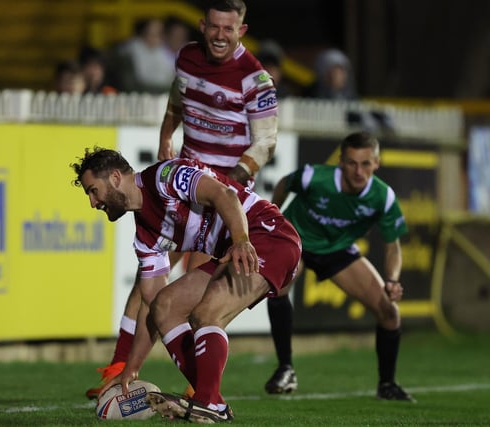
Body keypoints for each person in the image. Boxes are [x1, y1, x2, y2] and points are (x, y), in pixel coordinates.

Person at [84, 0, 279, 400]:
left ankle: (200, 382)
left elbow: (267, 141)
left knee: (200, 296)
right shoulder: (188, 58)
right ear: (202, 25)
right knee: (150, 283)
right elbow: (178, 97)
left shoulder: (255, 79)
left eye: (229, 29)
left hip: (218, 196)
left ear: (241, 30)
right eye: (214, 27)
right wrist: (166, 135)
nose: (220, 35)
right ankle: (121, 369)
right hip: (185, 183)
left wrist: (233, 181)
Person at [71, 147, 301, 423]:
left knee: (206, 314)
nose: (93, 203)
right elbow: (150, 304)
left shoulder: (165, 177)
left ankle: (206, 401)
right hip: (235, 251)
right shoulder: (146, 236)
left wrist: (241, 240)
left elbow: (224, 194)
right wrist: (131, 368)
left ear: (116, 178)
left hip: (267, 236)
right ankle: (211, 401)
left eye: (93, 190)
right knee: (165, 306)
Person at [265, 131, 415, 402]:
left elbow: (393, 246)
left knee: (389, 312)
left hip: (337, 249)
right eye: (352, 163)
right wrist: (270, 219)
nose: (359, 171)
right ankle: (285, 368)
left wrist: (392, 280)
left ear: (377, 163)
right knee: (277, 290)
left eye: (366, 164)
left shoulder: (383, 197)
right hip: (295, 240)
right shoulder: (315, 177)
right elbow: (285, 183)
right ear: (341, 162)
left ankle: (387, 385)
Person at [113, 17, 176, 94]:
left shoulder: (161, 51)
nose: (156, 37)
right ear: (143, 33)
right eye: (152, 33)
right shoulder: (131, 51)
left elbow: (171, 76)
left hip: (160, 96)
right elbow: (140, 82)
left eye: (159, 33)